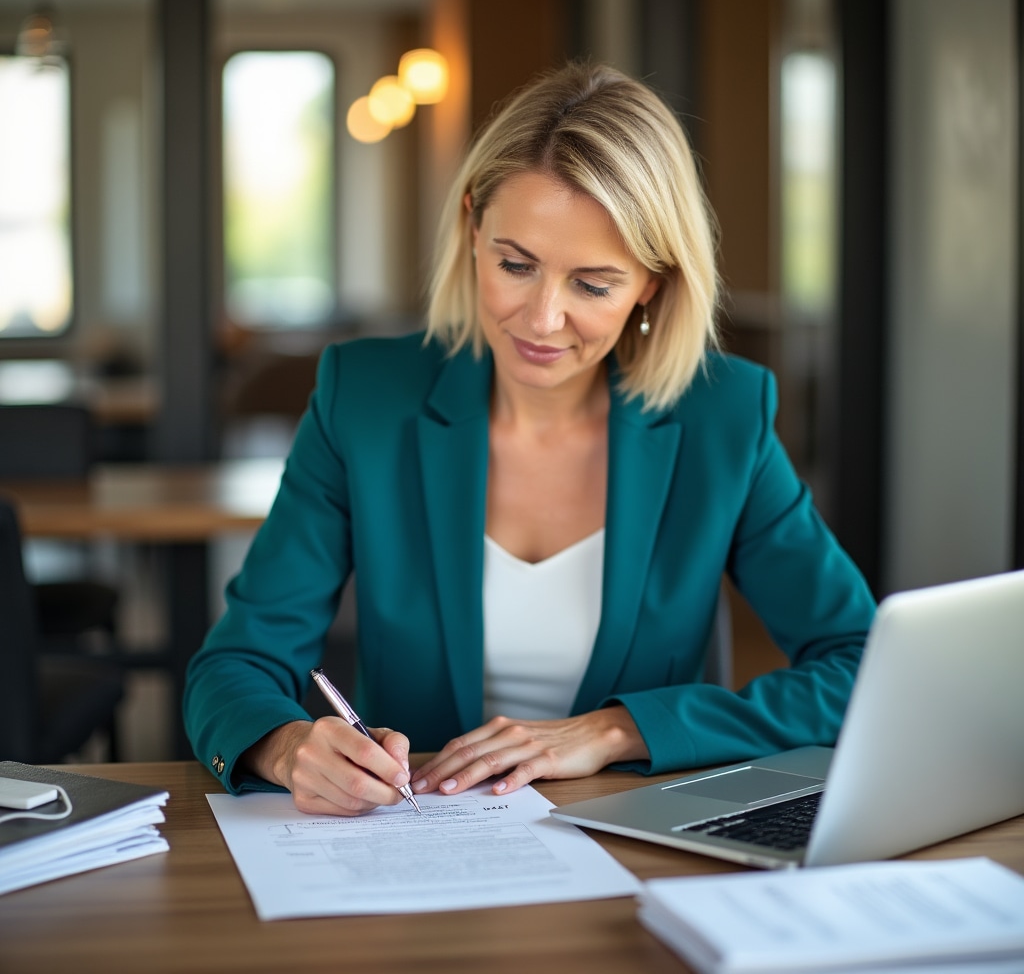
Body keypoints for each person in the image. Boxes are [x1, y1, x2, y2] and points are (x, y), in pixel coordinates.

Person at [184, 60, 875, 817]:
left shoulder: (724, 417)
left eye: (593, 283)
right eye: (517, 265)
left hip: (640, 847)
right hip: (414, 840)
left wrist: (618, 731)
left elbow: (862, 663)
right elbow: (237, 662)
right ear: (473, 225)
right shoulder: (365, 399)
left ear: (652, 281)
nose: (542, 320)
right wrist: (286, 747)